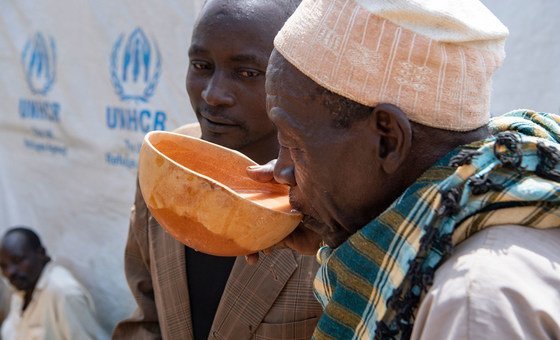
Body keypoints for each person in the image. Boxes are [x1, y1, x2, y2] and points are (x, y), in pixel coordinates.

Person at [247, 0, 560, 339]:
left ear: (387, 139)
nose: (281, 170)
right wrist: (342, 235)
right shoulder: (513, 181)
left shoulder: (471, 307)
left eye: (292, 141)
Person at [112, 1, 322, 339]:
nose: (213, 94)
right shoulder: (166, 166)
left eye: (247, 73)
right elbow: (148, 317)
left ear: (299, 79)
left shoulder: (331, 201)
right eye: (201, 65)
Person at [0, 227, 105, 340]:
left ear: (41, 253)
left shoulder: (63, 292)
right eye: (3, 266)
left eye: (18, 260)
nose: (10, 272)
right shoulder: (20, 292)